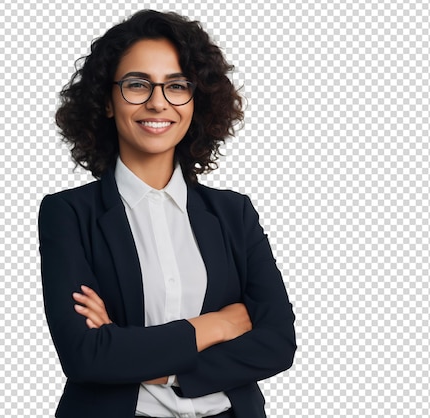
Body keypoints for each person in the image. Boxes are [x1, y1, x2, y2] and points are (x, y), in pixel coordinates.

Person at [39, 10, 296, 418]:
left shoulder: (234, 213)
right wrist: (217, 327)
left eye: (176, 86)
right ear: (107, 101)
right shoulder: (69, 214)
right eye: (137, 84)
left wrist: (151, 364)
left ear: (196, 101)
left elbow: (277, 344)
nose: (158, 101)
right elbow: (87, 356)